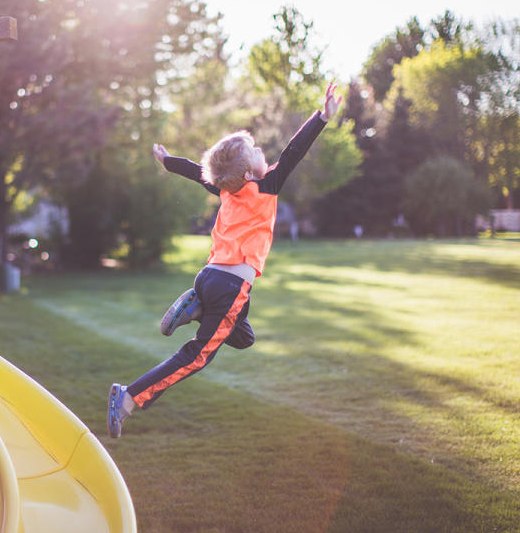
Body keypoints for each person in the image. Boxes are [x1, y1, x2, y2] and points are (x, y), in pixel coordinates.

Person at [107, 82, 343, 438]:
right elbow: (295, 150)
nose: (264, 153)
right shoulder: (265, 186)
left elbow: (194, 172)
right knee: (198, 355)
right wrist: (322, 117)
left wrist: (168, 161)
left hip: (210, 278)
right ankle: (128, 397)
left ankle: (198, 308)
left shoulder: (225, 190)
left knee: (243, 337)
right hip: (232, 286)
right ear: (249, 173)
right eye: (257, 153)